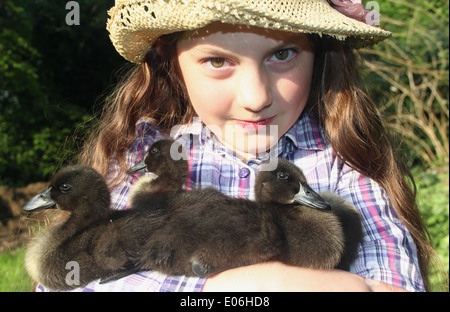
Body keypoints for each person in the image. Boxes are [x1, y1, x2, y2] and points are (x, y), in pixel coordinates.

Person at [36, 0, 433, 292]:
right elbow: (67, 278)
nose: (256, 96)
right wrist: (231, 288)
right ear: (170, 59)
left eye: (282, 53)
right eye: (217, 61)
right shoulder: (142, 160)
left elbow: (393, 282)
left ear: (320, 49)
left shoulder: (342, 165)